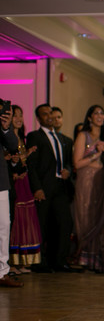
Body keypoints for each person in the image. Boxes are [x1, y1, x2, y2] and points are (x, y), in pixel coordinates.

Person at [71, 106, 104, 273]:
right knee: (86, 217)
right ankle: (84, 259)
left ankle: (97, 260)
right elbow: (77, 163)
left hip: (103, 180)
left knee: (101, 217)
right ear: (89, 118)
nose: (100, 116)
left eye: (102, 113)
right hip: (86, 180)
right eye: (96, 113)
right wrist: (95, 153)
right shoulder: (83, 135)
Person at [26, 104, 74, 272]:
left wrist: (67, 169)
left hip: (61, 186)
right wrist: (37, 188)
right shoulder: (34, 136)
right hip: (44, 187)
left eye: (51, 113)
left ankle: (59, 261)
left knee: (63, 223)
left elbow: (68, 160)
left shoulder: (63, 139)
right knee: (42, 224)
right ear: (38, 119)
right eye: (45, 115)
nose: (50, 117)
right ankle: (40, 262)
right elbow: (31, 165)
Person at [8, 105, 41, 274]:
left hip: (25, 182)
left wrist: (26, 156)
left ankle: (23, 261)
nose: (19, 119)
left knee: (26, 219)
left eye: (21, 115)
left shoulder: (21, 138)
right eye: (15, 116)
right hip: (14, 184)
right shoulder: (7, 139)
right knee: (16, 220)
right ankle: (11, 261)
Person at [0, 101, 24, 287]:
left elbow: (13, 145)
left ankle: (2, 271)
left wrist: (6, 127)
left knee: (3, 225)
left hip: (1, 181)